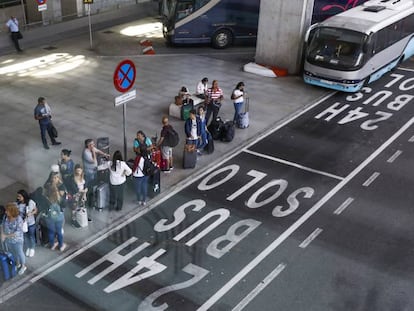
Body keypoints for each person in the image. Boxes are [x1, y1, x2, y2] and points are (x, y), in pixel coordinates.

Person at [82, 139, 109, 218]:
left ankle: (93, 197)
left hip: (94, 170)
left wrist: (104, 154)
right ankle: (88, 201)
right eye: (91, 144)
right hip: (89, 172)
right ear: (87, 145)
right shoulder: (86, 153)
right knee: (89, 186)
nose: (93, 146)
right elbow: (93, 161)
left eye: (93, 144)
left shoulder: (92, 149)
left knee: (94, 185)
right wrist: (93, 152)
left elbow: (97, 151)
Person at [1, 203, 26, 275]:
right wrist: (2, 234)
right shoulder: (6, 217)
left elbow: (17, 232)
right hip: (9, 240)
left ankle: (23, 266)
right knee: (13, 253)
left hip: (17, 240)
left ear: (12, 211)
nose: (6, 212)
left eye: (7, 211)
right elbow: (2, 225)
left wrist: (5, 236)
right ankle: (17, 263)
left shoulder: (18, 219)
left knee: (19, 252)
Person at [44, 180, 66, 251]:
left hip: (49, 218)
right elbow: (64, 205)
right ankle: (61, 245)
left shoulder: (45, 198)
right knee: (59, 231)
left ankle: (52, 245)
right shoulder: (59, 198)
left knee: (51, 232)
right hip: (59, 217)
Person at [16, 190, 37, 258]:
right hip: (22, 223)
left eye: (20, 196)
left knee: (31, 236)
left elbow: (35, 210)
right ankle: (28, 247)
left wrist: (30, 213)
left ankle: (32, 248)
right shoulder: (18, 203)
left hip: (30, 223)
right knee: (25, 236)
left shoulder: (30, 202)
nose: (18, 198)